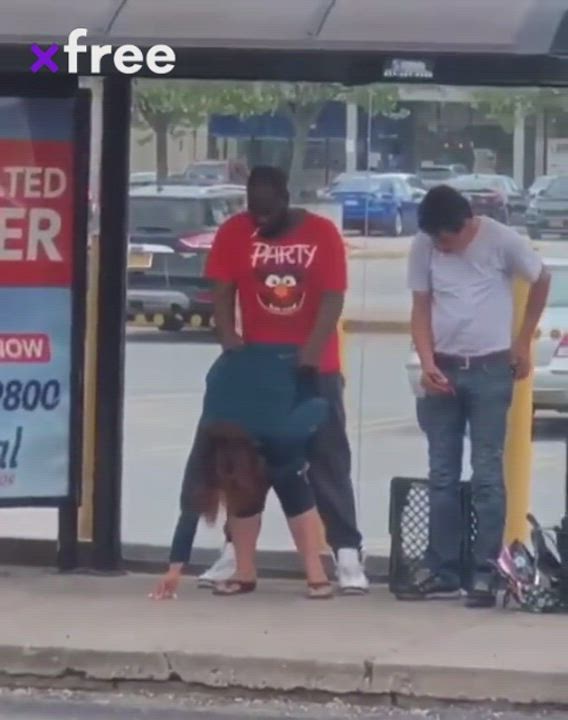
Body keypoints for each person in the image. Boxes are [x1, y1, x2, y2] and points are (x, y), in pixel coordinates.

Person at [151, 166, 368, 600]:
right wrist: (230, 341)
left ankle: (345, 552)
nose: (261, 221)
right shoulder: (236, 231)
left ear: (286, 197)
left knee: (325, 456)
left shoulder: (321, 233)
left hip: (313, 367)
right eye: (254, 211)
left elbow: (333, 296)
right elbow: (222, 288)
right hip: (256, 367)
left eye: (268, 212)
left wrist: (310, 354)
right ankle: (236, 553)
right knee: (243, 464)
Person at [406, 185, 550, 608]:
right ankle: (443, 567)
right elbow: (420, 306)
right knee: (442, 475)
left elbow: (542, 278)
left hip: (490, 369)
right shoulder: (424, 245)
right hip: (443, 368)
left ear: (466, 226)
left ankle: (487, 571)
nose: (440, 247)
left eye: (445, 240)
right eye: (434, 240)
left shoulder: (501, 241)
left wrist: (523, 342)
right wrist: (427, 361)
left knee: (487, 473)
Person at [194, 343, 333, 599]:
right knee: (242, 489)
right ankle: (244, 571)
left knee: (292, 484)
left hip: (283, 421)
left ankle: (316, 574)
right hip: (243, 427)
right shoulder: (230, 364)